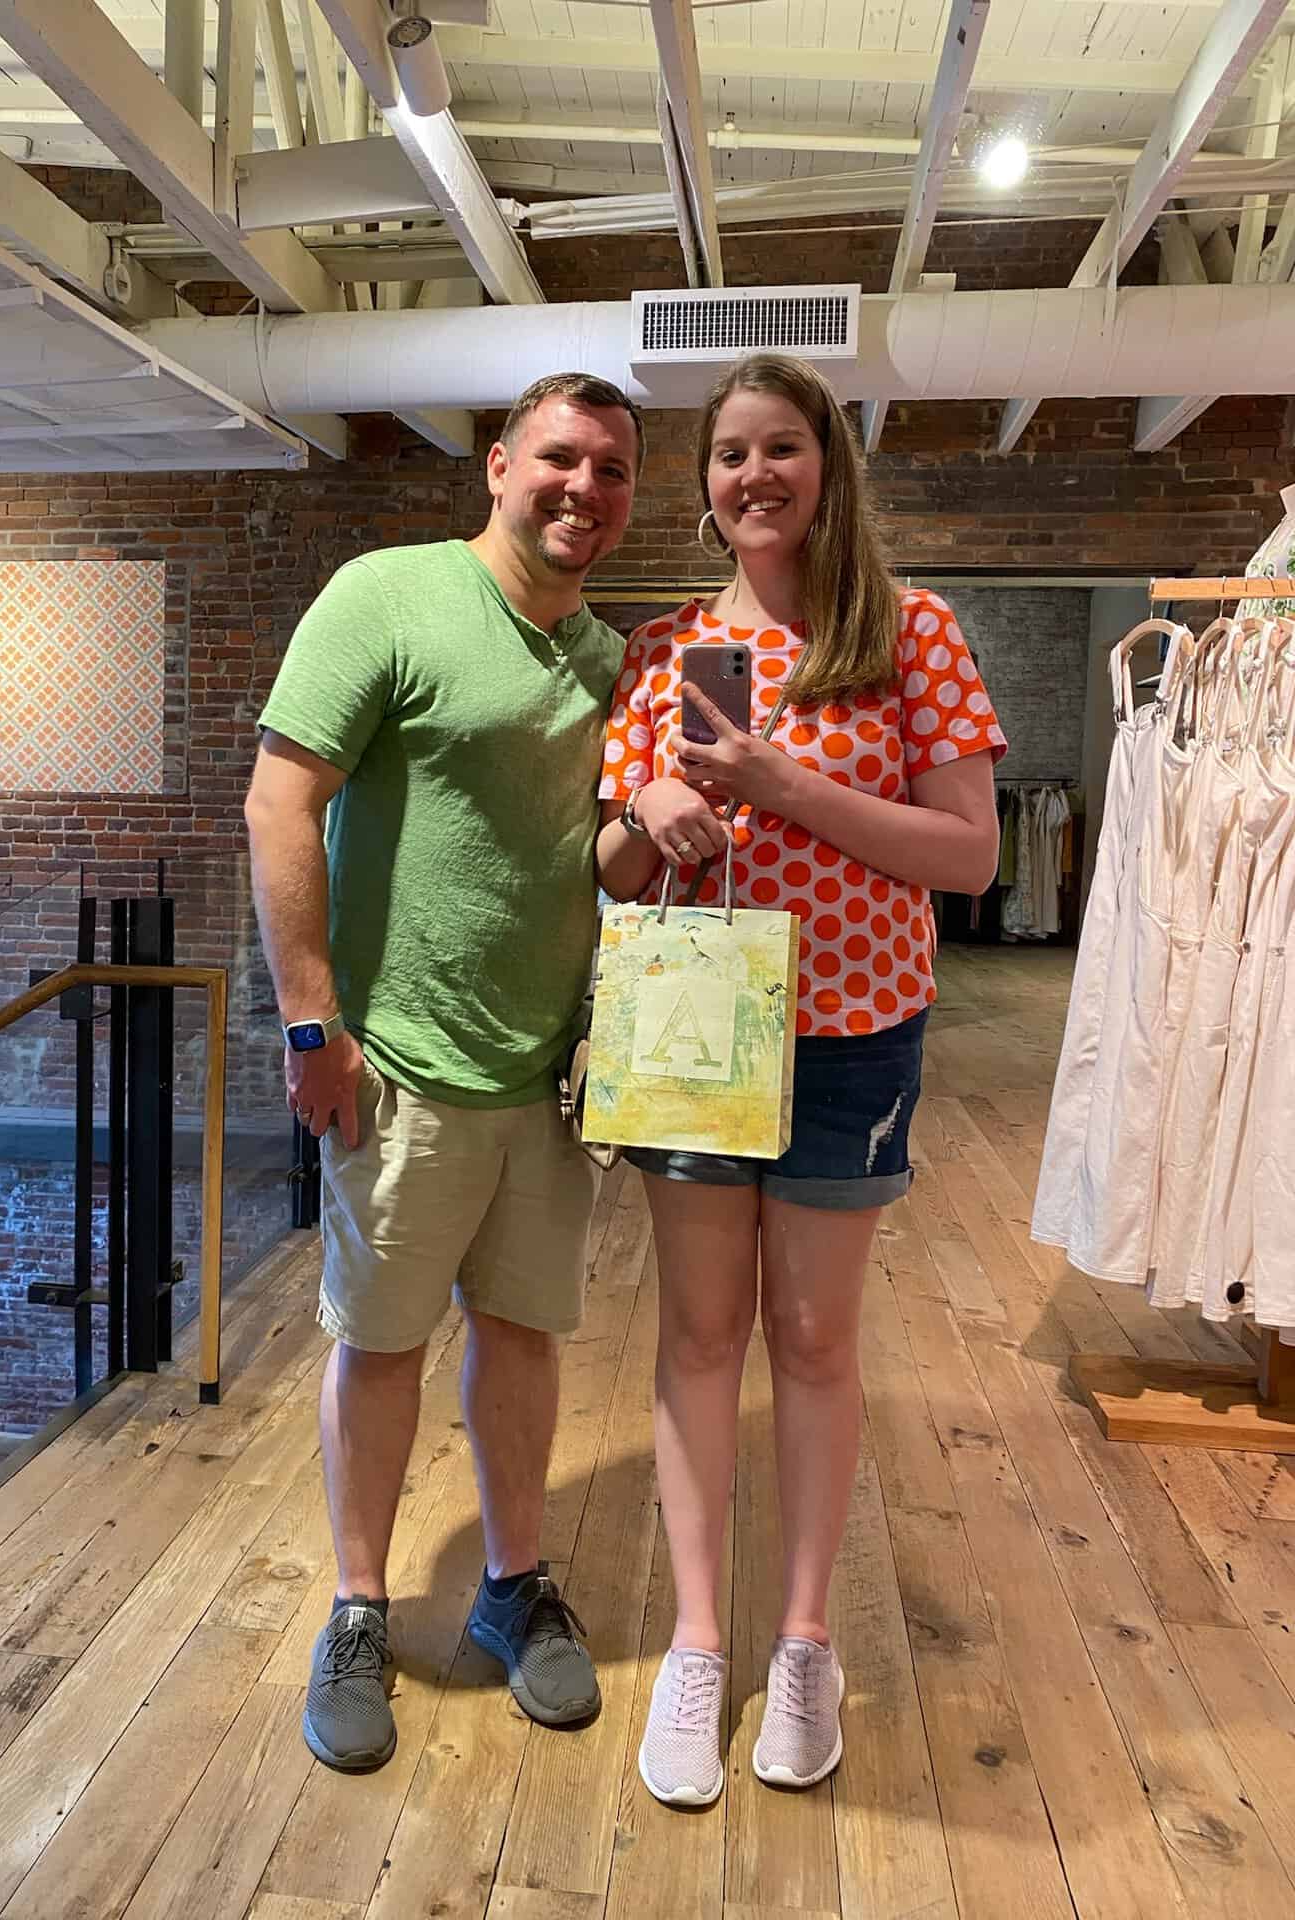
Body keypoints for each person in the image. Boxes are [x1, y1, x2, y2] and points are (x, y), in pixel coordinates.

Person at [594, 353, 1005, 1806]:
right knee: (701, 1340)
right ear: (705, 489)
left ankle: (806, 1638)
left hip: (854, 1033)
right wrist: (647, 810)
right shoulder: (659, 654)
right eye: (726, 455)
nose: (752, 475)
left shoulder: (911, 636)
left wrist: (784, 789)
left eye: (780, 447)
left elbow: (969, 856)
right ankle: (702, 1645)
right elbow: (611, 867)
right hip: (697, 1030)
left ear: (827, 465)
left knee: (815, 1342)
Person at [245, 372, 643, 1773]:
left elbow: (589, 859)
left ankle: (510, 1587)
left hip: (545, 1075)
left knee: (526, 1336)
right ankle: (359, 1607)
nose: (582, 489)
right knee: (382, 1339)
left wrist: (656, 827)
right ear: (498, 463)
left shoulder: (607, 660)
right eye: (559, 458)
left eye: (610, 470)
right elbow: (281, 798)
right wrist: (311, 1023)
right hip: (397, 1065)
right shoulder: (387, 597)